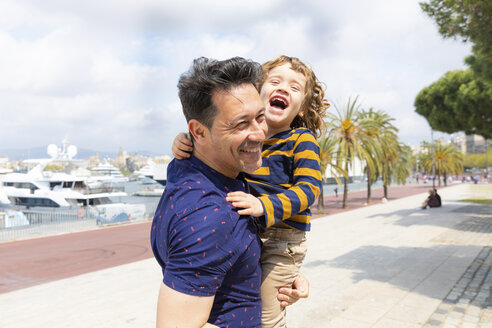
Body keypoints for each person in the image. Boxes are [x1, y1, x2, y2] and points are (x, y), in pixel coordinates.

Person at [151, 57, 308, 328]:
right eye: (241, 124)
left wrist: (275, 274)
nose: (260, 133)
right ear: (198, 132)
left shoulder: (184, 166)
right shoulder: (211, 219)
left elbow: (218, 261)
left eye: (260, 117)